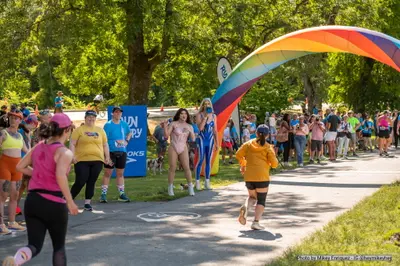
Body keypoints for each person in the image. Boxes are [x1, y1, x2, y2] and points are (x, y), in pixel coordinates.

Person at [2, 113, 79, 266]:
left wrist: (39, 172)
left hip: (33, 201)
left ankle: (16, 261)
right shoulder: (64, 152)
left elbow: (20, 166)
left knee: (34, 245)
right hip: (54, 203)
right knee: (59, 248)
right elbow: (60, 176)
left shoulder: (39, 147)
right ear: (66, 130)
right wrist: (70, 201)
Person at [236, 124, 278, 230]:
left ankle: (246, 206)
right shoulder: (268, 147)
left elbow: (238, 154)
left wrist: (243, 163)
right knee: (261, 200)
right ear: (268, 135)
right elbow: (275, 164)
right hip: (262, 176)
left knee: (252, 197)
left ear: (256, 133)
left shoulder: (248, 144)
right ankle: (255, 222)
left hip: (249, 176)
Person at [70, 110, 111, 211]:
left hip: (97, 159)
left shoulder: (100, 130)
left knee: (91, 181)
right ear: (85, 117)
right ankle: (69, 200)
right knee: (80, 181)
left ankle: (87, 203)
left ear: (95, 118)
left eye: (93, 117)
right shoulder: (79, 130)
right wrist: (72, 156)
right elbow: (72, 143)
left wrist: (107, 157)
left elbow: (105, 145)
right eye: (89, 116)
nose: (91, 118)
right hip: (81, 160)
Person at [0, 109, 29, 235]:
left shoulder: (20, 135)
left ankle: (12, 222)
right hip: (5, 164)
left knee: (15, 195)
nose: (13, 119)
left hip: (17, 166)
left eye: (16, 118)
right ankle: (1, 224)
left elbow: (28, 152)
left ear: (20, 120)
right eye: (11, 117)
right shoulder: (3, 133)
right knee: (3, 196)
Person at [100, 106, 132, 203]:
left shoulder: (124, 124)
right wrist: (106, 156)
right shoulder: (108, 125)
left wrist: (126, 140)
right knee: (107, 173)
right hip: (110, 152)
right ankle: (103, 195)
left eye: (120, 112)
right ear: (112, 113)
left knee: (120, 173)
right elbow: (104, 140)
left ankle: (121, 194)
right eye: (116, 112)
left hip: (122, 152)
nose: (118, 114)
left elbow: (130, 133)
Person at [163, 108, 195, 196]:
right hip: (173, 146)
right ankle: (170, 188)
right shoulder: (173, 124)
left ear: (187, 116)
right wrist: (165, 126)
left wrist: (191, 131)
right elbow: (166, 135)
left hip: (183, 147)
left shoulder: (189, 126)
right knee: (172, 167)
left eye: (185, 114)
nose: (184, 115)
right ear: (178, 115)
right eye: (181, 113)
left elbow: (193, 139)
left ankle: (190, 187)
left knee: (186, 167)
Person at [195, 98, 219, 191]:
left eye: (208, 104)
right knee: (201, 159)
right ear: (202, 105)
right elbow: (200, 128)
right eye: (205, 104)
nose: (207, 105)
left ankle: (207, 181)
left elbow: (215, 130)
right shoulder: (199, 115)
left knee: (208, 160)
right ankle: (197, 181)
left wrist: (217, 143)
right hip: (202, 139)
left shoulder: (214, 116)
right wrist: (205, 118)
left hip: (210, 140)